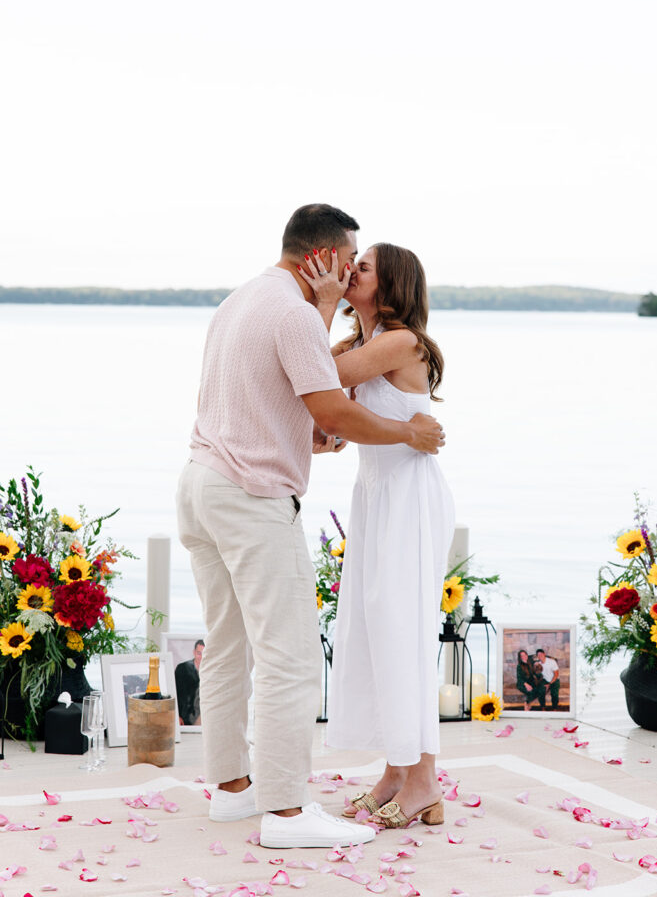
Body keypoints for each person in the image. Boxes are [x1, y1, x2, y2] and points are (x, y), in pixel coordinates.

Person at [175, 204, 445, 849]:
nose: (351, 270)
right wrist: (408, 431)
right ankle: (288, 815)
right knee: (289, 660)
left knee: (232, 646)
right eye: (348, 258)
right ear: (319, 258)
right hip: (252, 495)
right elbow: (329, 403)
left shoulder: (242, 298)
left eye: (363, 265)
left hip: (202, 483)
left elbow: (299, 397)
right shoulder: (298, 313)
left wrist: (321, 423)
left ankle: (234, 793)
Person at [298, 242, 455, 830]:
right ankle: (397, 773)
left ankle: (425, 784)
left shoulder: (402, 340)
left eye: (361, 268)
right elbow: (317, 386)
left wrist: (322, 299)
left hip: (410, 499)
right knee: (374, 631)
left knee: (402, 631)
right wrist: (334, 435)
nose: (349, 271)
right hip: (374, 497)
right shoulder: (359, 344)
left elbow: (323, 375)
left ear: (390, 286)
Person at [175, 639, 205, 726]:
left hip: (202, 715)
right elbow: (175, 692)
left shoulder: (211, 672)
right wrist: (177, 715)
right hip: (185, 717)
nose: (201, 657)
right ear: (194, 652)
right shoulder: (182, 668)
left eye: (204, 654)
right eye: (199, 653)